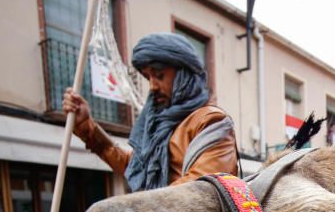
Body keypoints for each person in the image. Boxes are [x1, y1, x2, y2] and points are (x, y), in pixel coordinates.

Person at [63, 32, 238, 190]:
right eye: (148, 78)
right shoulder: (159, 126)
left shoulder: (211, 121)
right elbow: (135, 168)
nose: (153, 86)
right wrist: (86, 127)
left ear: (183, 76)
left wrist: (133, 208)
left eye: (159, 75)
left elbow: (203, 189)